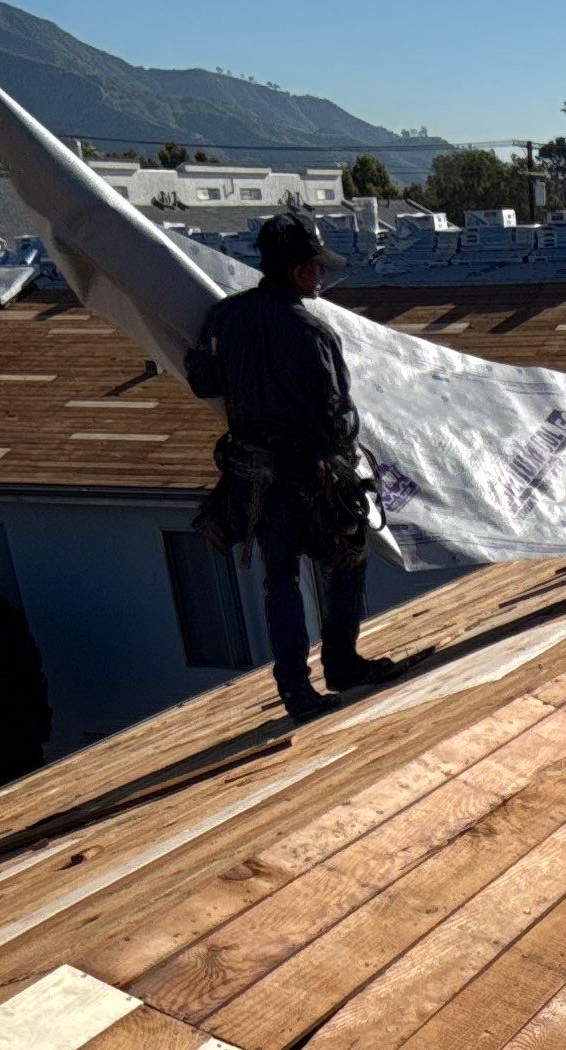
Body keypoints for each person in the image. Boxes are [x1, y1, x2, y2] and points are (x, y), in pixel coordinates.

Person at [187, 214, 400, 718]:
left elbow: (202, 381)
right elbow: (336, 417)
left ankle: (297, 694)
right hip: (310, 479)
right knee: (346, 562)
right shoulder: (312, 332)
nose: (321, 276)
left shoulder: (225, 318)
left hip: (257, 482)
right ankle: (342, 665)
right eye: (314, 267)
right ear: (296, 270)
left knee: (278, 583)